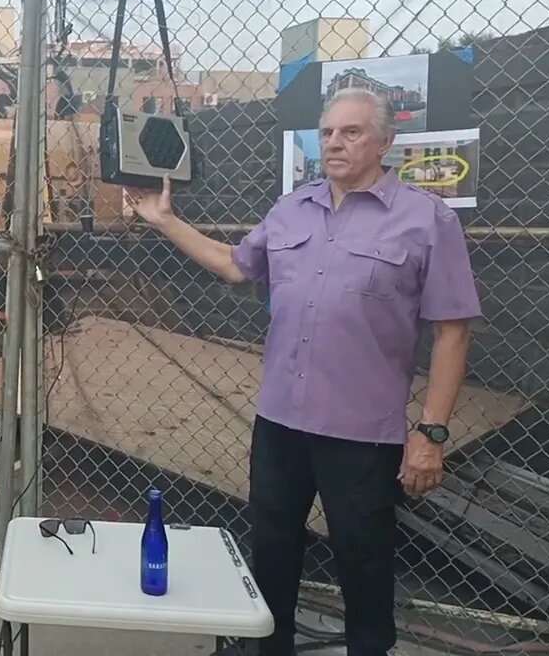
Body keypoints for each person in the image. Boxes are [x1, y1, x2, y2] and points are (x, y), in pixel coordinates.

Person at [128, 88, 479, 656]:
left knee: (364, 562)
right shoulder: (291, 210)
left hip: (362, 435)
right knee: (271, 553)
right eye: (328, 132)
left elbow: (453, 332)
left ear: (386, 141)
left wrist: (431, 433)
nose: (335, 143)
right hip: (280, 425)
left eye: (352, 132)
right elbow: (235, 266)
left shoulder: (425, 220)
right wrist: (165, 220)